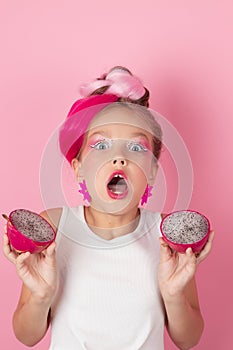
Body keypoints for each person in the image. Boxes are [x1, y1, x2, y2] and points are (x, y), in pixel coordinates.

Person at [3, 66, 214, 350]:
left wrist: (173, 294)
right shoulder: (54, 226)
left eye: (136, 148)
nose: (119, 159)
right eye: (101, 146)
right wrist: (41, 296)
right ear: (78, 169)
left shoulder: (166, 236)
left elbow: (189, 340)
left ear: (152, 172)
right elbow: (26, 336)